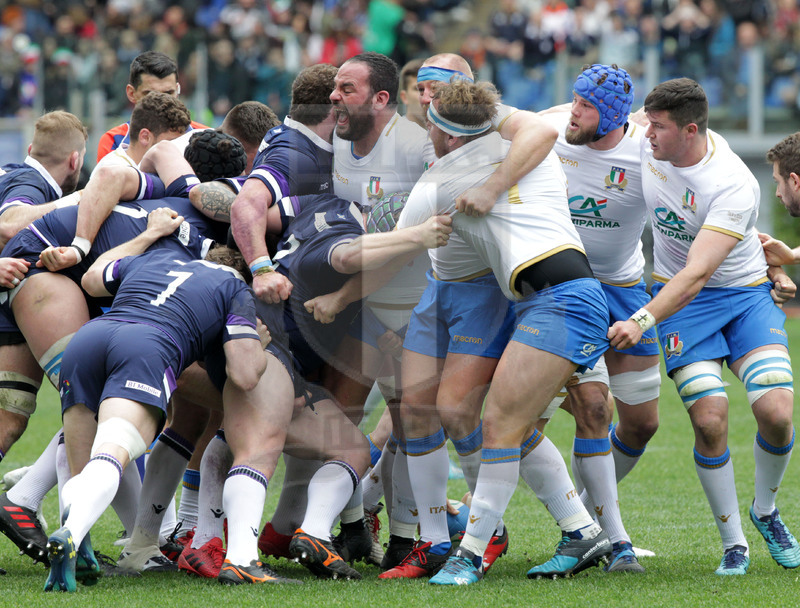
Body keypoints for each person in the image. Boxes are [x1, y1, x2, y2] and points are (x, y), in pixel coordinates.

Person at [388, 79, 612, 586]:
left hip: (564, 302)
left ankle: (469, 554)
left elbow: (395, 243)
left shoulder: (444, 180)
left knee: (500, 426)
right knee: (503, 424)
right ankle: (581, 530)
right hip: (550, 301)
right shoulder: (530, 152)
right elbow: (533, 128)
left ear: (447, 136)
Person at [608, 78, 799, 575]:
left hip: (738, 298)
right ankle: (734, 543)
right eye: (646, 122)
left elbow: (697, 273)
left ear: (690, 130)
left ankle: (766, 510)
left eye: (659, 127)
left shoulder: (731, 182)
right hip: (685, 305)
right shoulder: (644, 142)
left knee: (777, 411)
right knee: (709, 418)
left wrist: (642, 318)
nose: (646, 134)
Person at [44, 241, 268, 592]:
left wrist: (149, 234)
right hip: (147, 346)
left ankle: (77, 546)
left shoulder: (157, 258)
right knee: (112, 453)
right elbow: (244, 374)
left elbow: (92, 279)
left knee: (84, 467)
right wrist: (260, 344)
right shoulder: (236, 287)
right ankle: (71, 533)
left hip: (88, 339)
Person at [531, 64, 658, 573]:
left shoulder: (650, 149)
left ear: (611, 116)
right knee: (536, 416)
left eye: (586, 106)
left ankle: (584, 517)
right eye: (574, 101)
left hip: (625, 289)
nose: (573, 112)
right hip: (561, 288)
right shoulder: (549, 128)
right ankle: (590, 530)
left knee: (642, 424)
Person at [96, 51, 206, 163]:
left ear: (177, 91)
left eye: (168, 93)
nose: (161, 101)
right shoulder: (114, 141)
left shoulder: (204, 137)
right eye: (150, 94)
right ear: (131, 93)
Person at [93, 92, 192, 171]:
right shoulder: (111, 171)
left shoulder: (165, 168)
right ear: (145, 137)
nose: (178, 149)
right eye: (172, 142)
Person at [398, 58, 425, 127]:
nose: (426, 95)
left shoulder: (449, 135)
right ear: (404, 97)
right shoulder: (391, 135)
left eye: (432, 88)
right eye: (419, 89)